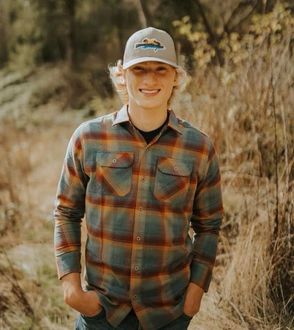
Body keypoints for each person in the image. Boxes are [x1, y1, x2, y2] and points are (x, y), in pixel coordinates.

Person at [54, 27, 223, 330]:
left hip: (169, 314)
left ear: (176, 77)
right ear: (122, 76)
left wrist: (196, 292)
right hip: (101, 313)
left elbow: (209, 225)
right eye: (139, 69)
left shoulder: (199, 147)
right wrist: (71, 288)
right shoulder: (88, 138)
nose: (149, 80)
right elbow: (66, 212)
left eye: (161, 70)